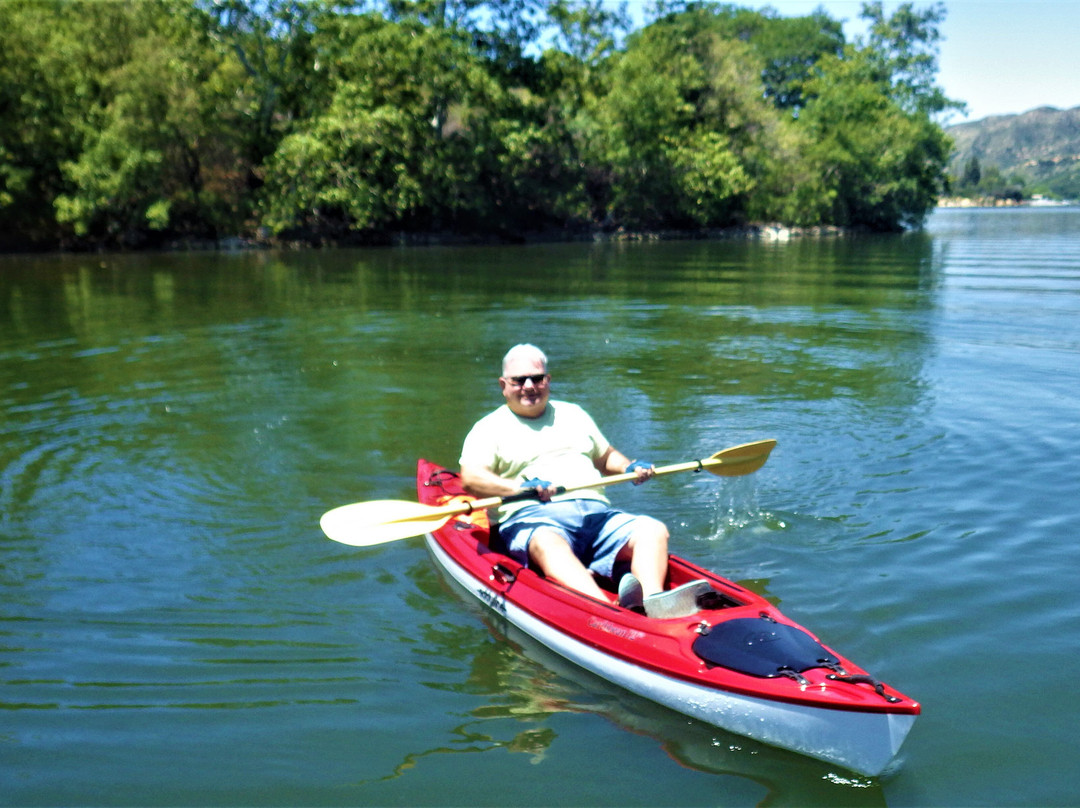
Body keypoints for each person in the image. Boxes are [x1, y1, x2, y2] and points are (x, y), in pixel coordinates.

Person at [459, 343, 671, 607]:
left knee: (653, 530)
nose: (529, 386)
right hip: (534, 519)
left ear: (548, 381)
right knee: (548, 542)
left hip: (597, 518)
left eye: (537, 378)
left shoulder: (574, 414)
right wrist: (520, 489)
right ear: (503, 385)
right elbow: (472, 478)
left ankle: (652, 601)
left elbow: (605, 457)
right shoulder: (488, 428)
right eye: (519, 380)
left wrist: (629, 467)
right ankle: (605, 610)